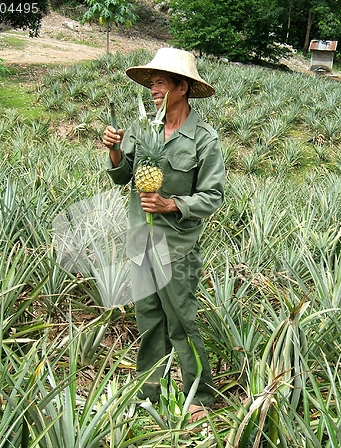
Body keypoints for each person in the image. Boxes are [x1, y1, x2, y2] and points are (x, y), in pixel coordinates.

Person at [103, 47, 225, 422]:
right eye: (151, 83)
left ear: (182, 87)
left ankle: (199, 397)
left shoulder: (203, 138)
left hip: (177, 246)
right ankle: (148, 390)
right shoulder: (142, 128)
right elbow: (123, 176)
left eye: (160, 83)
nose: (153, 90)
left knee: (182, 320)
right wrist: (114, 152)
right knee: (149, 318)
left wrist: (172, 204)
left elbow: (214, 195)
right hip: (141, 238)